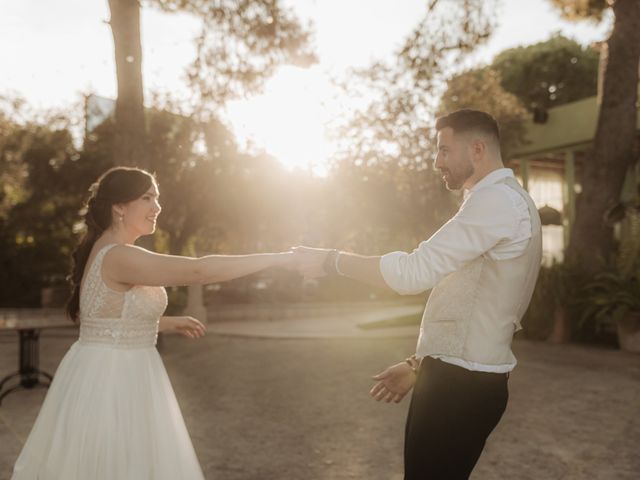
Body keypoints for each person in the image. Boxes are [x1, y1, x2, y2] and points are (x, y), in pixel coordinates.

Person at [293, 109, 542, 479]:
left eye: (444, 150)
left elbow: (412, 274)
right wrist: (419, 365)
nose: (436, 161)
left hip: (460, 388)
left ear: (477, 149)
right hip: (461, 380)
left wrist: (331, 260)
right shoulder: (502, 200)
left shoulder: (496, 203)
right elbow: (470, 303)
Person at [12, 166, 294, 480]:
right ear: (119, 206)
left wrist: (167, 321)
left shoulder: (107, 249)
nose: (157, 207)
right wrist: (279, 259)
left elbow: (108, 318)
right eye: (147, 197)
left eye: (157, 198)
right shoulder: (120, 256)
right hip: (114, 380)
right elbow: (200, 271)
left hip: (106, 367)